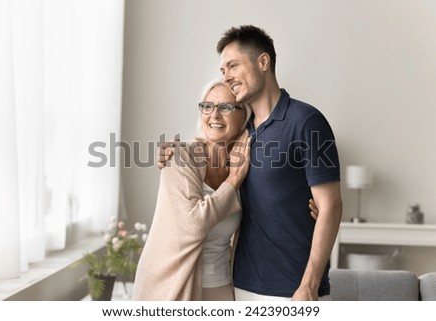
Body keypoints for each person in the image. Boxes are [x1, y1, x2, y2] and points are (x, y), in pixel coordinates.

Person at [160, 25, 342, 301]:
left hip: (294, 289)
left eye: (233, 66)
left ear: (263, 62)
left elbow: (331, 206)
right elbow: (208, 148)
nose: (227, 76)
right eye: (223, 71)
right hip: (240, 286)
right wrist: (173, 151)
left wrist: (309, 284)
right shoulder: (240, 134)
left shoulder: (307, 121)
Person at [132, 79, 251, 300]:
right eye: (208, 106)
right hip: (171, 286)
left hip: (223, 286)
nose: (214, 115)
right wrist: (233, 180)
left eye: (225, 107)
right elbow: (193, 224)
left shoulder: (247, 164)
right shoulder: (179, 156)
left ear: (242, 116)